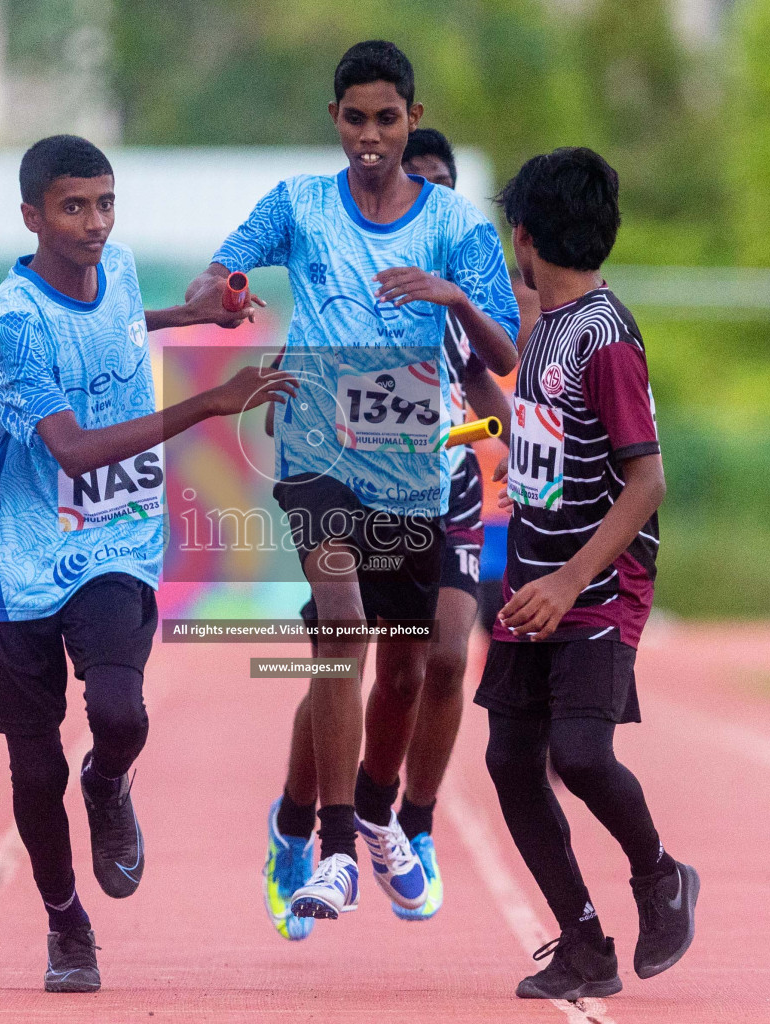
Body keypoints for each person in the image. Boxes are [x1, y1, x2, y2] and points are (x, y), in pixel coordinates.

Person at [0, 135, 295, 993]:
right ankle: (67, 925)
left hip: (115, 537)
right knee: (34, 767)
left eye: (106, 203)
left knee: (120, 711)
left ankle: (108, 783)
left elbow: (114, 324)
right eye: (74, 207)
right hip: (15, 555)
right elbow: (68, 449)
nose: (95, 223)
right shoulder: (12, 321)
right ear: (32, 215)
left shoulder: (125, 266)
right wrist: (212, 400)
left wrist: (197, 317)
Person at [190, 40, 519, 929]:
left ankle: (380, 819)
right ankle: (336, 846)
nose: (372, 137)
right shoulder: (299, 203)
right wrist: (223, 293)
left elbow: (503, 359)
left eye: (388, 119)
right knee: (341, 622)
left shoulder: (458, 229)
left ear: (413, 118)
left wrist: (452, 297)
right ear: (335, 119)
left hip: (426, 468)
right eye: (356, 119)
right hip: (318, 454)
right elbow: (222, 271)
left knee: (419, 669)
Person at [274, 127, 515, 935]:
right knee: (341, 647)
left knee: (438, 661)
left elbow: (484, 375)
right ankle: (297, 827)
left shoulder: (456, 273)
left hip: (443, 489)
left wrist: (529, 450)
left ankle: (404, 820)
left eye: (437, 190)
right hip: (352, 488)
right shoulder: (355, 279)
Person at [478, 148, 699, 1001]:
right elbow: (539, 448)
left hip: (595, 585)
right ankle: (581, 943)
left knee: (577, 752)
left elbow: (647, 480)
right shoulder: (547, 333)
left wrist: (569, 580)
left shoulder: (603, 337)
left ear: (525, 236)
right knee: (508, 759)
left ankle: (659, 877)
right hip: (533, 579)